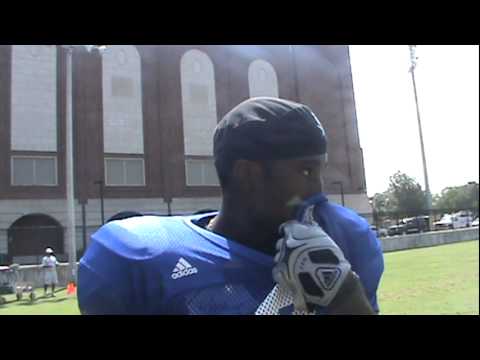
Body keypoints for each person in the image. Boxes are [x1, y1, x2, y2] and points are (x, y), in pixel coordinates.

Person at [78, 97, 384, 315]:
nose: (318, 187)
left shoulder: (345, 240)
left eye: (320, 171)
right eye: (305, 171)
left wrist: (346, 296)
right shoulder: (143, 257)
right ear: (248, 174)